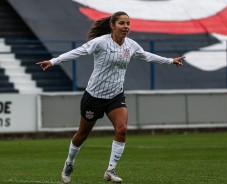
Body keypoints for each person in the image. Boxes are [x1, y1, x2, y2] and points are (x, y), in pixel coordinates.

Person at [36, 11, 185, 184]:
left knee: (122, 129)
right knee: (82, 134)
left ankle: (110, 170)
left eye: (128, 23)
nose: (126, 27)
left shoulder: (131, 45)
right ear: (112, 25)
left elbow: (146, 56)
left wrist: (170, 60)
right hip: (94, 96)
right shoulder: (100, 43)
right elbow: (78, 52)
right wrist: (54, 61)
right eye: (122, 23)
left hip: (115, 96)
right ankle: (69, 162)